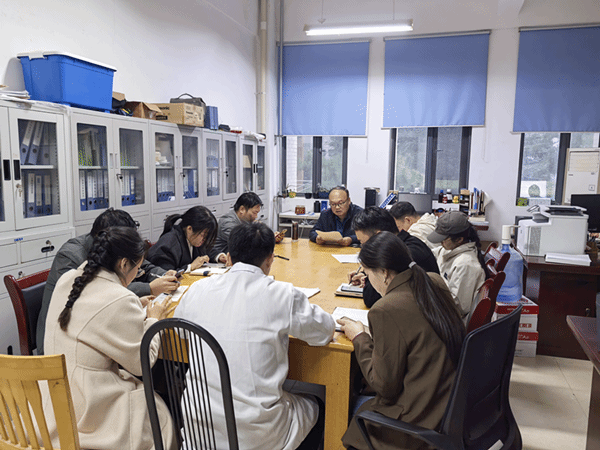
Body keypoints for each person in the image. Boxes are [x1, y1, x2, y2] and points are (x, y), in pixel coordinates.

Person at [174, 222, 335, 450]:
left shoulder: (198, 289)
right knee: (316, 403)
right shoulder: (282, 294)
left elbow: (180, 330)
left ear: (229, 258)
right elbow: (324, 331)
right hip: (256, 434)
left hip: (199, 430)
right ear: (270, 259)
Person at [42, 226, 177, 450]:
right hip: (86, 408)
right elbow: (141, 364)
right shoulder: (119, 298)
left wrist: (135, 306)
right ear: (123, 264)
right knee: (159, 412)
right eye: (138, 269)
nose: (137, 274)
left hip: (49, 400)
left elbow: (94, 315)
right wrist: (153, 320)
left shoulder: (69, 278)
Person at [337, 231, 466, 450]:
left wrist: (360, 337)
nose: (368, 282)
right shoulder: (432, 281)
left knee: (348, 404)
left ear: (384, 272)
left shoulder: (385, 309)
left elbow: (384, 386)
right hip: (451, 406)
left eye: (367, 274)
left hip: (418, 421)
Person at [37, 208, 179, 355]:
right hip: (59, 347)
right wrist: (147, 289)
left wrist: (164, 276)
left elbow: (143, 266)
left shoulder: (112, 251)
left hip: (89, 334)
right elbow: (95, 297)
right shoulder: (71, 256)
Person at [348, 207, 440, 308]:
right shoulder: (408, 242)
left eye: (363, 243)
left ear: (378, 236)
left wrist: (369, 274)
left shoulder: (401, 254)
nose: (363, 248)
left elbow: (370, 298)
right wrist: (366, 274)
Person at [427, 211, 487, 320]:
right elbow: (430, 254)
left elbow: (459, 307)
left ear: (459, 239)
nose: (440, 243)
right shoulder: (449, 249)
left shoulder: (466, 265)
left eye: (443, 239)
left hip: (451, 320)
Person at [147, 205, 218, 272]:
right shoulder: (168, 245)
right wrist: (190, 267)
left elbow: (207, 249)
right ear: (189, 229)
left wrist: (218, 256)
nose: (205, 240)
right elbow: (166, 274)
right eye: (203, 235)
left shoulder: (192, 237)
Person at [211, 192, 263, 263]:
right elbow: (245, 243)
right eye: (254, 213)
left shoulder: (245, 220)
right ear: (242, 209)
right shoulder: (227, 223)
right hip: (222, 262)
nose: (256, 217)